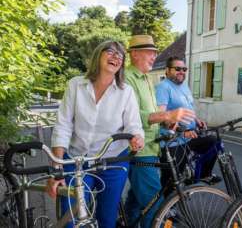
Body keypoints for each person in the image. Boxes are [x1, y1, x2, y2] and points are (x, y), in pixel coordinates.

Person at [47, 41, 144, 228]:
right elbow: (63, 126)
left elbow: (134, 126)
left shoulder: (126, 92)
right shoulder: (76, 85)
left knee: (107, 219)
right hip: (77, 161)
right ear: (98, 55)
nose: (116, 57)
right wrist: (57, 167)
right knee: (70, 219)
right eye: (110, 52)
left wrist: (137, 138)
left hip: (113, 162)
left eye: (120, 55)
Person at [124, 35, 195, 228]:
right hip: (141, 149)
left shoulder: (146, 78)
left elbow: (153, 114)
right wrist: (167, 115)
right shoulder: (127, 77)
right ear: (135, 54)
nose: (154, 56)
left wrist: (168, 123)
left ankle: (127, 223)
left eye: (155, 52)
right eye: (150, 52)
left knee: (137, 200)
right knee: (154, 205)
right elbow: (129, 116)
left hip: (152, 147)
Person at [155, 56, 220, 194]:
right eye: (177, 69)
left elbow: (188, 108)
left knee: (214, 140)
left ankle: (202, 173)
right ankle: (166, 210)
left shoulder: (184, 86)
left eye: (184, 69)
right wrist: (181, 132)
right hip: (173, 142)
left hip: (190, 135)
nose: (181, 72)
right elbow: (162, 117)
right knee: (171, 181)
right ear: (167, 70)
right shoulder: (163, 87)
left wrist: (197, 120)